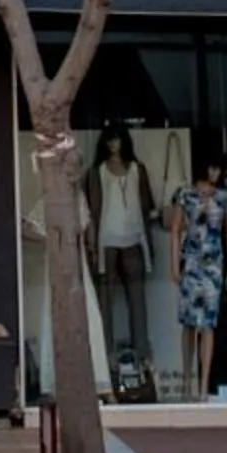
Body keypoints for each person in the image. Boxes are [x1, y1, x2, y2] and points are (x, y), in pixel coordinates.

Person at [80, 123, 157, 394]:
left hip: (134, 235)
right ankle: (106, 356)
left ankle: (143, 356)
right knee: (105, 299)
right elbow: (87, 209)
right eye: (110, 141)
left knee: (137, 298)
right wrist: (90, 241)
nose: (115, 145)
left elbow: (147, 204)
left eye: (118, 140)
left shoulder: (137, 169)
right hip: (106, 238)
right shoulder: (96, 172)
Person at [168, 163, 227, 400]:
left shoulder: (223, 197)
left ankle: (204, 385)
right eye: (212, 168)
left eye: (218, 169)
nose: (215, 173)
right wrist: (174, 265)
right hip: (193, 261)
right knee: (188, 322)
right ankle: (187, 383)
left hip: (214, 263)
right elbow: (175, 230)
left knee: (208, 324)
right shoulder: (186, 194)